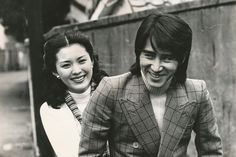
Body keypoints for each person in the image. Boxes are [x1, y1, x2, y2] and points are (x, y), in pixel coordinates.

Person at [79, 13, 223, 157]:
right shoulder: (111, 89)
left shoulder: (197, 92)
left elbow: (211, 151)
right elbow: (90, 153)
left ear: (182, 58)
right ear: (138, 53)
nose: (156, 67)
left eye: (167, 58)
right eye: (149, 55)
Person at [40, 30, 107, 157]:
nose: (76, 71)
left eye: (82, 61)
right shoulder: (50, 110)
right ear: (55, 71)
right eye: (66, 65)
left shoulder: (114, 94)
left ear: (92, 61)